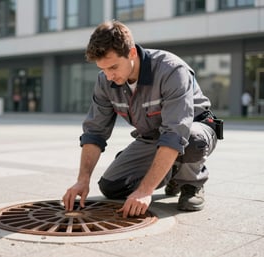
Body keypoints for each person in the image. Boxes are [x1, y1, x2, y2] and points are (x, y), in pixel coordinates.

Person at [62, 20, 220, 218]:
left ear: (132, 54)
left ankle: (191, 183)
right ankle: (171, 172)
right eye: (103, 69)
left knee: (192, 139)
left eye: (113, 67)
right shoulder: (105, 81)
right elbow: (95, 132)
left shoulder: (171, 70)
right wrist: (82, 180)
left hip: (191, 129)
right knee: (112, 187)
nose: (109, 76)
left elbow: (175, 133)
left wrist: (145, 190)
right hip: (152, 136)